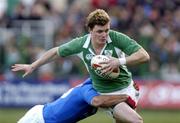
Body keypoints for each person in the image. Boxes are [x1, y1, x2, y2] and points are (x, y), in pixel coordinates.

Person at [12, 9, 150, 123]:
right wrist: (33, 66)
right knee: (136, 121)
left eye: (107, 30)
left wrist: (118, 62)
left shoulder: (116, 38)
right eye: (100, 31)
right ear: (90, 30)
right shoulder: (81, 44)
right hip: (103, 94)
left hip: (124, 89)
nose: (104, 35)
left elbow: (144, 56)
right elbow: (55, 52)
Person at [17, 78, 129, 123]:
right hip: (40, 118)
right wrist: (126, 96)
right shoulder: (88, 88)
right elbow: (98, 101)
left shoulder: (96, 91)